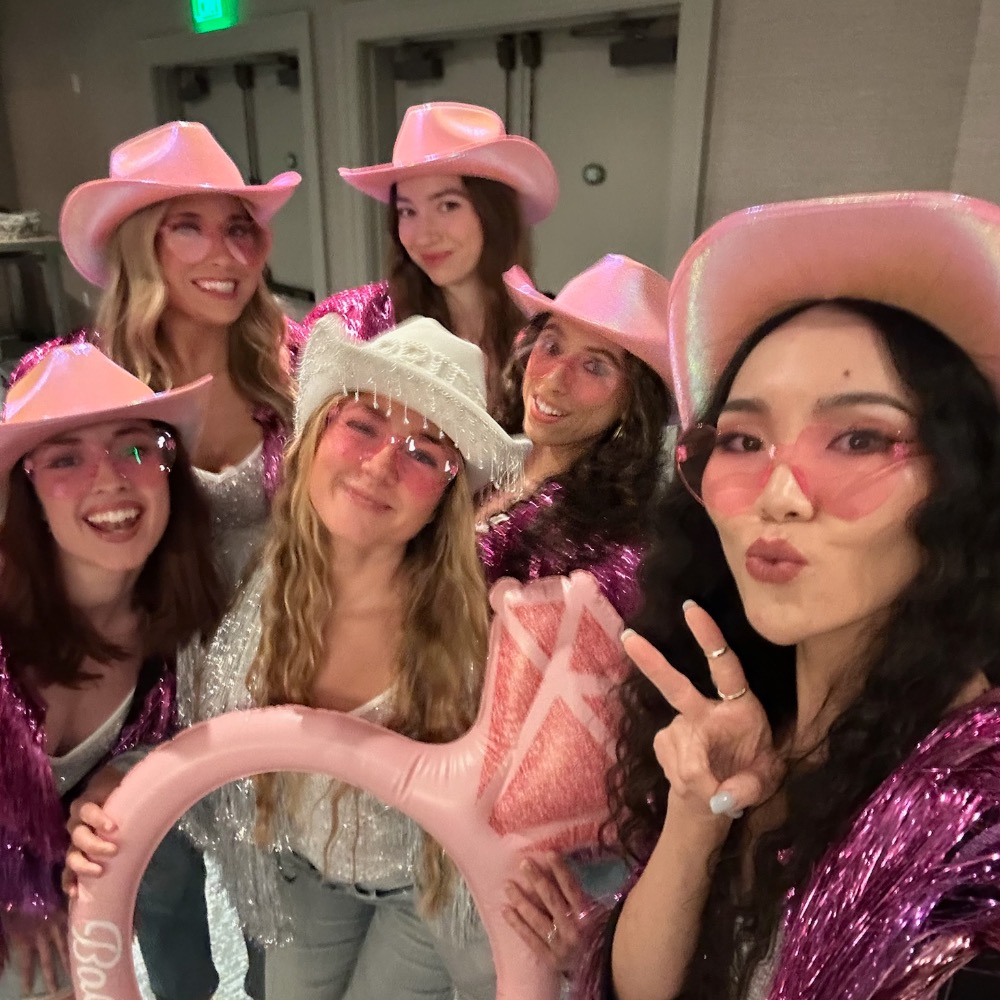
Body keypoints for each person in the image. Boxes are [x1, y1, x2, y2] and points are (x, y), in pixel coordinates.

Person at [587, 193, 1000, 1000]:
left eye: (859, 439)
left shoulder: (974, 818)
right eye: (743, 440)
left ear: (963, 482)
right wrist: (696, 821)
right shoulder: (751, 713)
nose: (778, 496)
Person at [68, 314, 524, 1000]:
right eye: (363, 425)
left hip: (426, 890)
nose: (381, 464)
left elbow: (515, 793)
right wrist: (118, 787)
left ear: (446, 496)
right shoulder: (241, 576)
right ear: (316, 436)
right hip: (300, 874)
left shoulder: (479, 632)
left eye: (425, 452)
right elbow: (186, 727)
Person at [22, 119, 302, 1000]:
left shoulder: (293, 369)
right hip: (142, 684)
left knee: (274, 898)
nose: (226, 253)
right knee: (160, 890)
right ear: (141, 244)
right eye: (190, 226)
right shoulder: (81, 382)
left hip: (271, 678)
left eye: (240, 228)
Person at [0, 344, 223, 1000]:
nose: (110, 480)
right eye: (66, 458)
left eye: (134, 447)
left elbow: (173, 734)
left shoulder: (181, 620)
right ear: (27, 488)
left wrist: (120, 775)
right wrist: (13, 892)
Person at [304, 101, 559, 420]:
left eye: (448, 205)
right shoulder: (354, 324)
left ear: (494, 214)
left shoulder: (546, 334)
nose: (423, 236)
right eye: (407, 211)